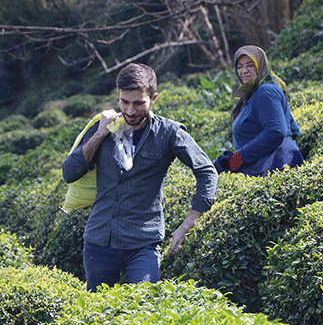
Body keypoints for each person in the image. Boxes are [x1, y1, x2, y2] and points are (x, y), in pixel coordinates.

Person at [62, 63, 218, 292]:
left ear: (153, 98)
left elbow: (206, 171)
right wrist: (99, 133)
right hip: (99, 240)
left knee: (146, 307)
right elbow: (69, 172)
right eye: (124, 101)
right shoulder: (103, 126)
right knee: (98, 314)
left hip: (143, 244)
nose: (130, 111)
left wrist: (189, 222)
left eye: (138, 103)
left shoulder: (169, 133)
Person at [214, 45, 304, 176]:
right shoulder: (252, 94)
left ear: (260, 65)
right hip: (264, 162)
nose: (244, 71)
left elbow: (277, 131)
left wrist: (241, 156)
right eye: (239, 67)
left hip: (276, 164)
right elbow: (292, 126)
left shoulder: (265, 92)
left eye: (250, 65)